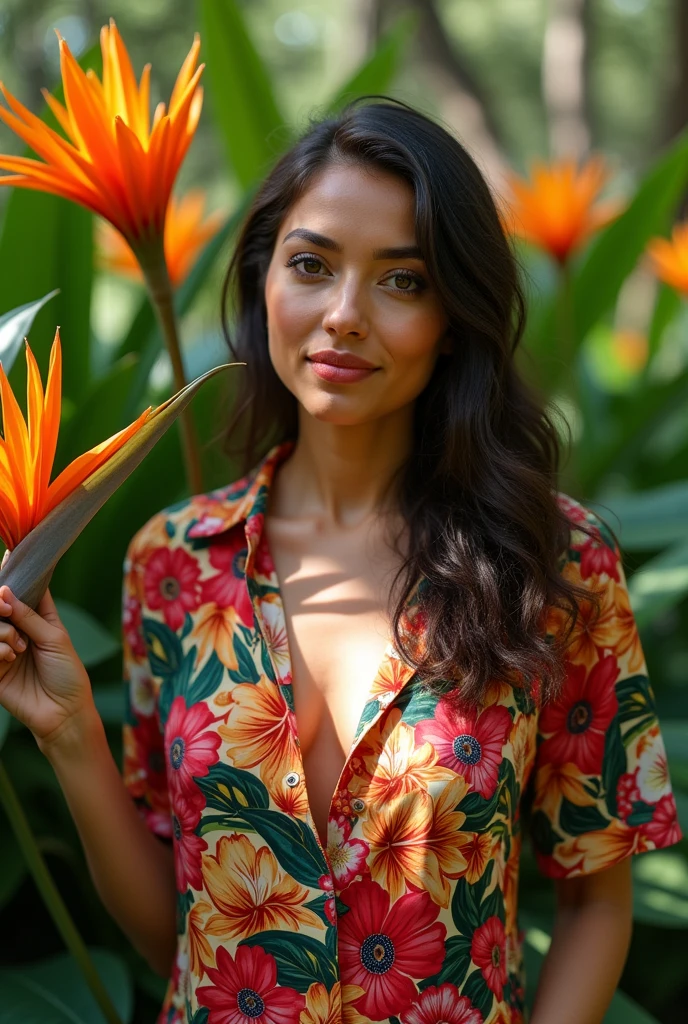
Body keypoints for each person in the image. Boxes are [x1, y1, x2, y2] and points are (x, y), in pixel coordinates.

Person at [0, 97, 682, 1024]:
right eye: (312, 266)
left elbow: (599, 898)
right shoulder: (171, 564)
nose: (345, 315)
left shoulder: (556, 565)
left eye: (402, 281)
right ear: (264, 280)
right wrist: (70, 735)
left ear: (454, 315)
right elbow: (184, 935)